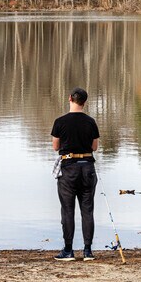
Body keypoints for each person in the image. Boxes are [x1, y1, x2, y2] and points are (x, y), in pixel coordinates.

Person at [50, 87, 100, 261]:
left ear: (70, 98)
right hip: (87, 167)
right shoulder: (91, 122)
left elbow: (56, 147)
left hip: (68, 168)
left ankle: (68, 250)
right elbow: (94, 147)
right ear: (84, 102)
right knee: (87, 210)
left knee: (67, 210)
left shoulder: (60, 122)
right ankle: (87, 251)